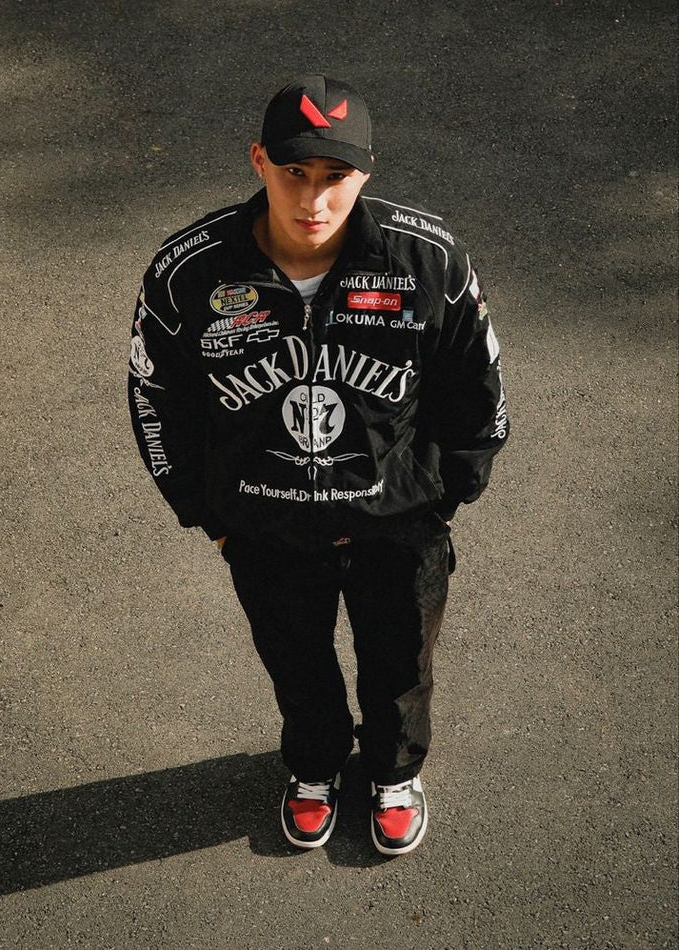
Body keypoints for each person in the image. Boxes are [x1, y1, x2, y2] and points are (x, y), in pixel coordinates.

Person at [128, 74, 509, 856]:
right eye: (294, 173)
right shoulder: (191, 271)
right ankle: (312, 765)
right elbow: (155, 396)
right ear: (259, 161)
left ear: (365, 173)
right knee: (294, 658)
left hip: (396, 520)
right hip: (265, 523)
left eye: (335, 177)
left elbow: (475, 386)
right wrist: (207, 511)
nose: (314, 199)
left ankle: (394, 771)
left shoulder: (426, 260)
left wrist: (448, 494)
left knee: (400, 661)